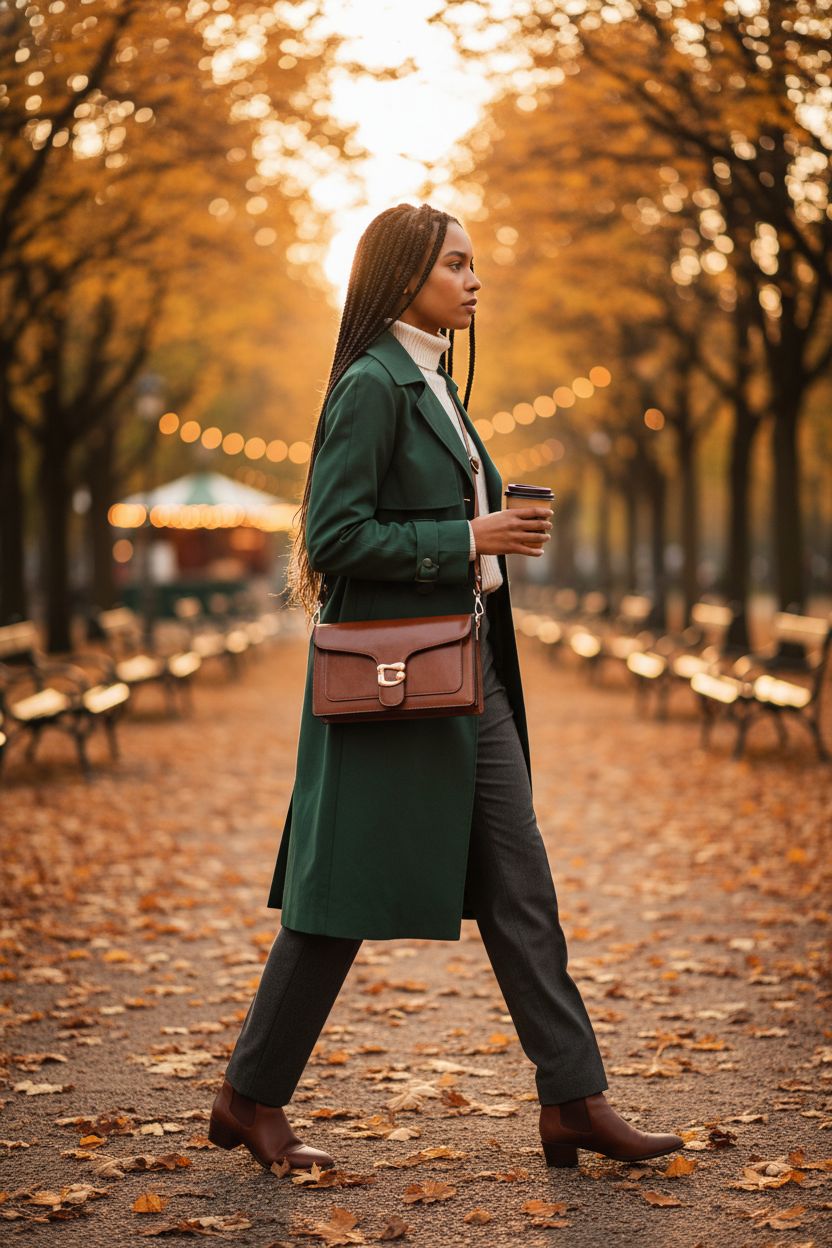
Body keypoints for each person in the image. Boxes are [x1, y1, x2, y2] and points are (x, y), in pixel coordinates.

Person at [208, 203, 684, 1173]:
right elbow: (332, 539)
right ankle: (247, 1097)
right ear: (404, 274)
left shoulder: (432, 379)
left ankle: (572, 1099)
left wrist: (486, 536)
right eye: (456, 265)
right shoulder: (374, 385)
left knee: (523, 890)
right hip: (396, 686)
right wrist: (467, 540)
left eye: (474, 264)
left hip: (471, 683)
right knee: (335, 896)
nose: (474, 280)